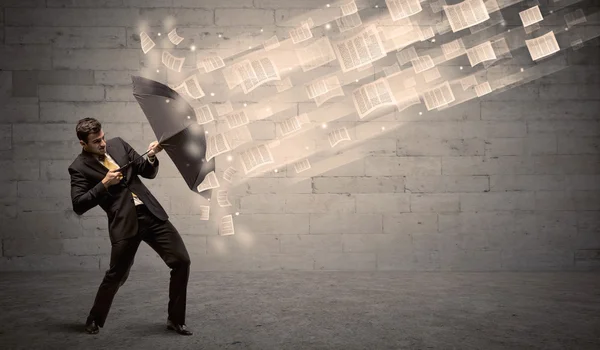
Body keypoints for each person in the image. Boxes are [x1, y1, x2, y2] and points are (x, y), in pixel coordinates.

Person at [68, 117, 193, 336]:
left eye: (103, 137)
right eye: (96, 141)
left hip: (151, 214)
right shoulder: (78, 167)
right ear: (83, 144)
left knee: (182, 261)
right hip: (124, 223)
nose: (103, 143)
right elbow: (79, 204)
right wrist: (104, 183)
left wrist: (153, 155)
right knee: (117, 275)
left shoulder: (118, 144)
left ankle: (175, 320)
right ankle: (94, 319)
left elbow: (147, 171)